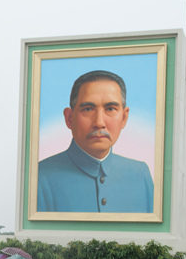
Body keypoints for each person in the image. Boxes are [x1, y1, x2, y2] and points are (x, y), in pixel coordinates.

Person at [37, 70, 154, 213]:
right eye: (88, 109)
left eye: (110, 109)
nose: (99, 123)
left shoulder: (140, 174)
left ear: (124, 118)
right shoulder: (40, 176)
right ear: (69, 118)